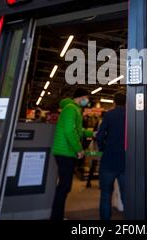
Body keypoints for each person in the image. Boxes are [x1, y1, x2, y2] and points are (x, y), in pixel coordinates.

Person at [50, 88, 92, 220]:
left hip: (65, 151)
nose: (87, 101)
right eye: (86, 98)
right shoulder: (70, 109)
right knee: (64, 187)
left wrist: (91, 133)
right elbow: (69, 131)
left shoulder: (73, 109)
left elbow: (78, 130)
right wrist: (79, 149)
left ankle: (58, 216)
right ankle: (56, 217)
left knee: (64, 186)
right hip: (65, 151)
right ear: (81, 97)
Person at [96, 93, 126, 220]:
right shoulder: (131, 115)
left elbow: (100, 136)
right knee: (127, 195)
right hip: (125, 160)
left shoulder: (109, 115)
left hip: (108, 160)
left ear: (114, 102)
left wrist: (103, 148)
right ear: (126, 102)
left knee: (106, 194)